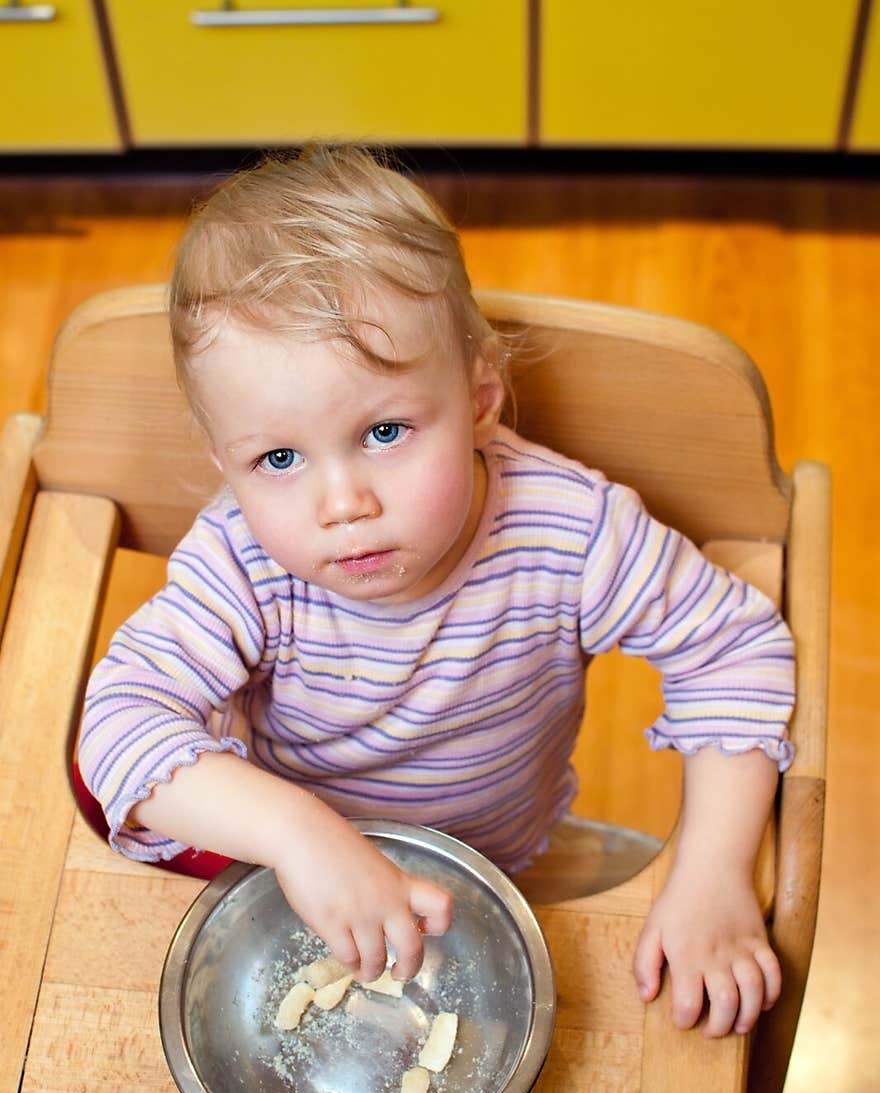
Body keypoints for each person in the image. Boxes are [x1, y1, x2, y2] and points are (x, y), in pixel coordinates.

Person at [78, 142, 796, 1039]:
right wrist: (300, 835)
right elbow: (116, 723)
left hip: (502, 858)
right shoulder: (244, 562)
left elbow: (735, 647)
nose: (345, 503)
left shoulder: (567, 531)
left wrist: (711, 873)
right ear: (223, 458)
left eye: (384, 430)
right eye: (279, 458)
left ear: (481, 397)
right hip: (294, 877)